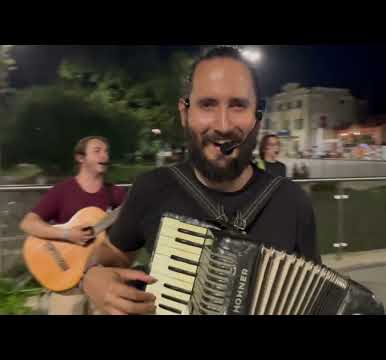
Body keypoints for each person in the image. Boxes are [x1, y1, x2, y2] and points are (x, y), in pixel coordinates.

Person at [80, 46, 319, 316]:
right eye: (207, 105)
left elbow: (315, 299)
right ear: (185, 112)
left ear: (257, 117)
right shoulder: (151, 189)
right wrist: (92, 276)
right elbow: (107, 255)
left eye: (238, 105)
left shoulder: (293, 202)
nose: (223, 125)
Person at [20, 136, 127, 315]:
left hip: (103, 283)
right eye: (97, 151)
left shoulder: (116, 194)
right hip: (66, 286)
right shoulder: (62, 191)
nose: (105, 156)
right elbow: (28, 223)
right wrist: (67, 235)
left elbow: (131, 227)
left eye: (107, 151)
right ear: (80, 158)